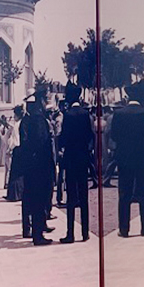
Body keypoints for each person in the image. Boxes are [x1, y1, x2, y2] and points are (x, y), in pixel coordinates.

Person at [108, 80, 144, 238]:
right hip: (142, 157)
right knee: (143, 192)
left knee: (124, 193)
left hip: (124, 157)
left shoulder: (118, 113)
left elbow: (114, 136)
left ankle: (124, 229)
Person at [58, 83, 95, 243]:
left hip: (71, 159)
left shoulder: (67, 115)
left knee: (71, 197)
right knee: (84, 196)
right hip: (83, 158)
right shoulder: (86, 114)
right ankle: (85, 233)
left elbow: (64, 138)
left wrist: (62, 149)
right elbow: (90, 136)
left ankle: (70, 233)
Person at [18, 94, 56, 245]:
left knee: (33, 199)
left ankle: (36, 228)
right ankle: (37, 234)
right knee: (38, 199)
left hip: (31, 165)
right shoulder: (38, 120)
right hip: (40, 166)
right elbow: (41, 143)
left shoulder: (28, 121)